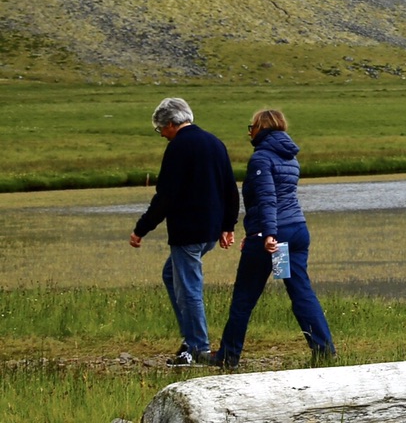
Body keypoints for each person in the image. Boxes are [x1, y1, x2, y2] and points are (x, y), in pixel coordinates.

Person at [213, 108, 334, 367]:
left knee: (244, 298)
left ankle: (228, 357)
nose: (249, 131)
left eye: (251, 126)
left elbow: (268, 199)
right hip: (297, 230)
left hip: (273, 236)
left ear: (262, 128)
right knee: (301, 291)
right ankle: (325, 351)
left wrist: (267, 234)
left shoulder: (262, 158)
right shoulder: (290, 157)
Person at [130, 96, 237, 367]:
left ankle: (198, 347)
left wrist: (142, 228)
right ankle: (190, 338)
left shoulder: (179, 147)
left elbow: (166, 195)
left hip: (188, 231)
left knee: (189, 288)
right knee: (171, 275)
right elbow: (230, 188)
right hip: (210, 231)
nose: (162, 135)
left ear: (170, 123)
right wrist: (228, 225)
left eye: (160, 130)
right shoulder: (215, 142)